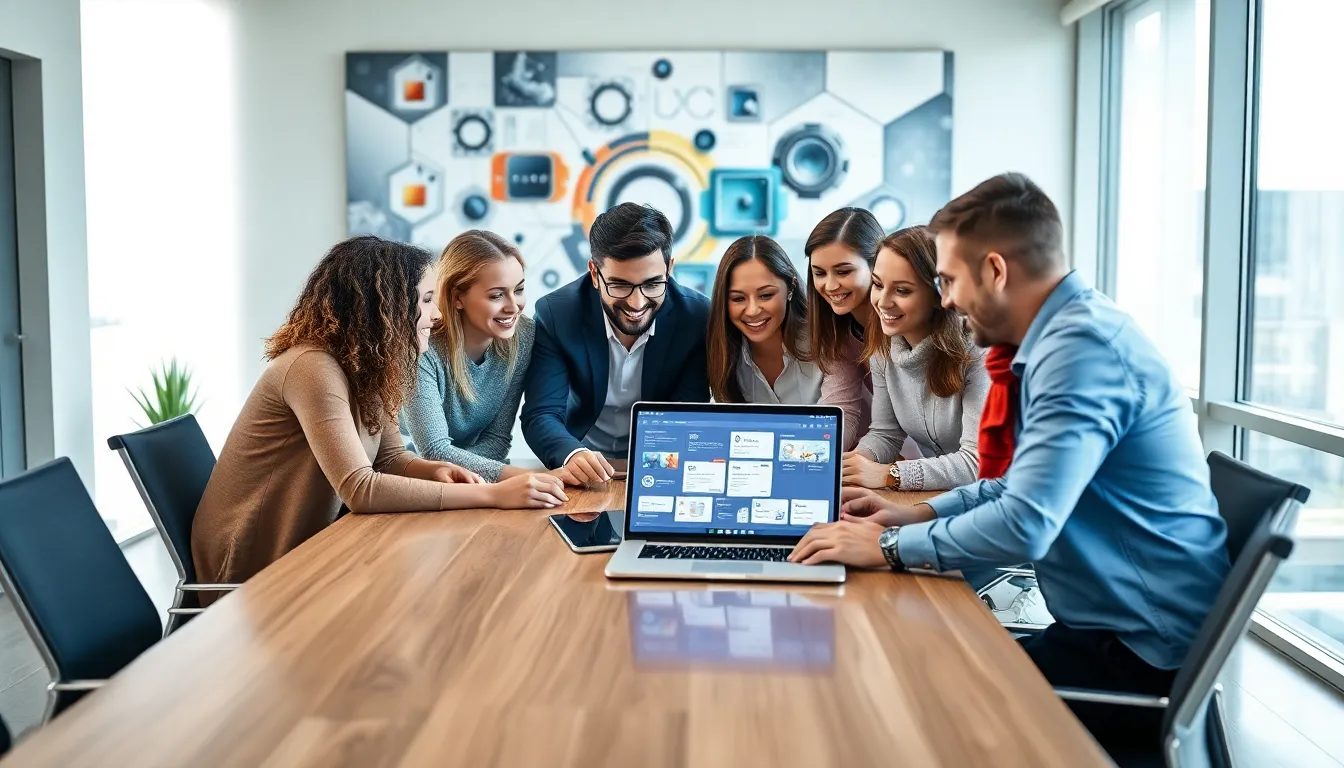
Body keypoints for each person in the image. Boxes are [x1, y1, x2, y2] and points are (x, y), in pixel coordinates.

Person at [789, 173, 1229, 751]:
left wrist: (887, 549)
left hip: (1137, 657)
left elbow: (1026, 521)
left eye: (947, 280)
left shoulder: (1080, 356)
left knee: (900, 702)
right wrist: (910, 515)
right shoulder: (1057, 343)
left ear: (995, 271)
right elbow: (1009, 487)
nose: (944, 299)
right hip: (1100, 629)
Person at [193, 236, 567, 600]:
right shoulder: (311, 368)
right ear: (385, 308)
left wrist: (436, 472)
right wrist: (490, 494)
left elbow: (391, 459)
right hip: (252, 568)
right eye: (425, 300)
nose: (436, 315)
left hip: (313, 548)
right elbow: (360, 488)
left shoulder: (367, 367)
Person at [522, 203, 711, 484]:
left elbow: (686, 416)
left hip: (659, 463)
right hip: (581, 460)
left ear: (669, 269)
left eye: (652, 284)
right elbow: (542, 413)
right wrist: (572, 454)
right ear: (595, 274)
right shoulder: (557, 314)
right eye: (620, 285)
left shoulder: (697, 318)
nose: (637, 303)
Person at [841, 226, 988, 491]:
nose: (883, 302)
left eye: (902, 291)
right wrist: (856, 465)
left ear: (938, 295)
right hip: (943, 499)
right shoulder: (884, 348)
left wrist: (890, 475)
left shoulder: (979, 351)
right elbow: (885, 434)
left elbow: (976, 463)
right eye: (877, 284)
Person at [401, 230, 544, 483]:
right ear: (457, 298)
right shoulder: (421, 345)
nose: (514, 307)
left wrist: (471, 477)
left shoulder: (524, 335)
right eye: (497, 295)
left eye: (518, 290)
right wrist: (523, 477)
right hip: (403, 475)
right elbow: (433, 452)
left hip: (457, 481)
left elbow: (497, 440)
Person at [705, 235, 868, 428]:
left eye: (766, 295)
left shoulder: (828, 336)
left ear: (791, 287)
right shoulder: (724, 350)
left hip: (854, 453)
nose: (752, 310)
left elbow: (839, 423)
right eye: (738, 299)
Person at [805, 207, 883, 449]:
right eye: (819, 273)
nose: (830, 285)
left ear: (876, 265)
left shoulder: (902, 324)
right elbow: (841, 410)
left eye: (844, 271)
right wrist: (813, 456)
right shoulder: (839, 331)